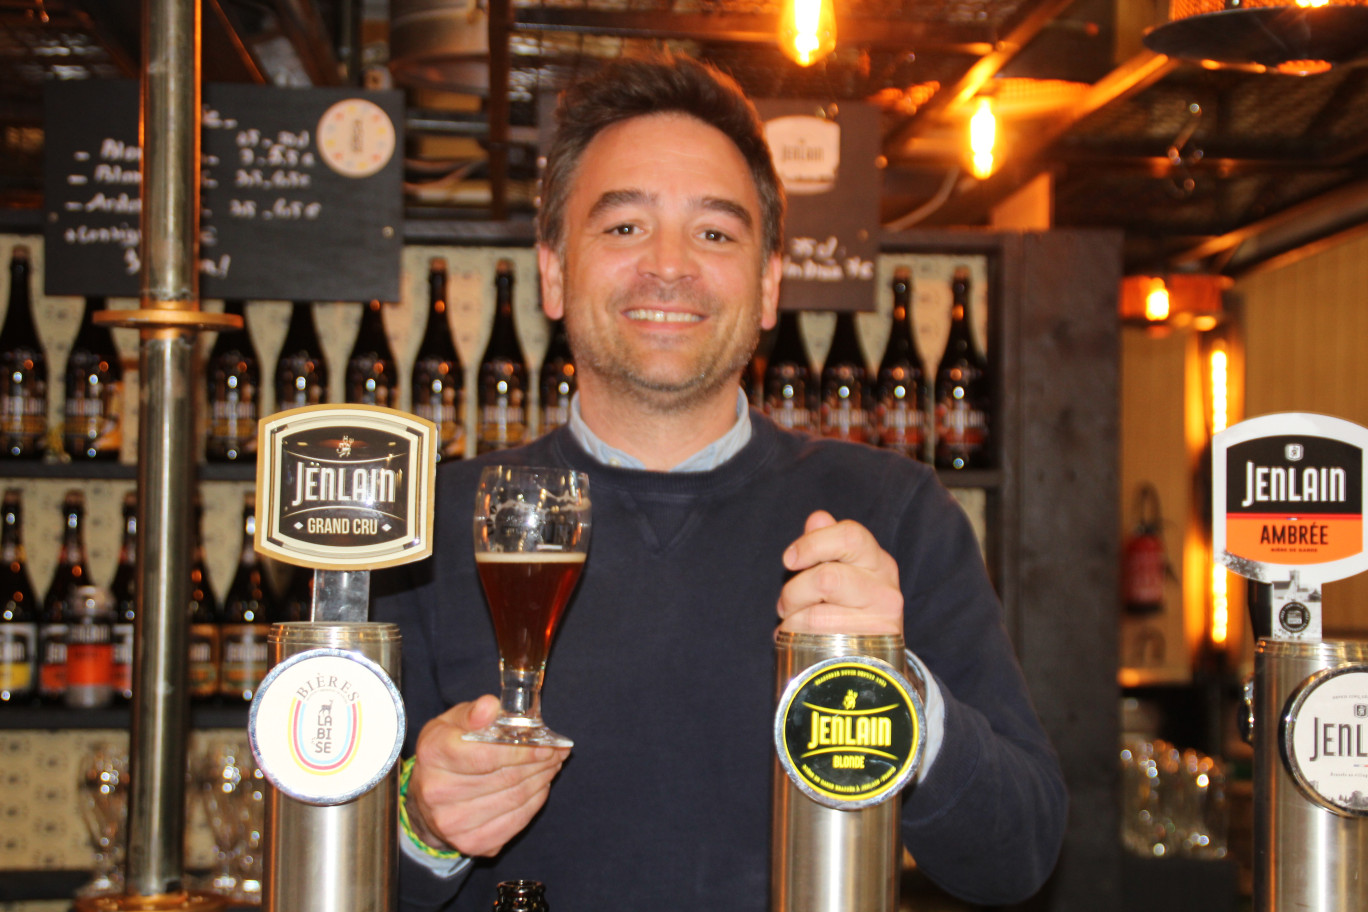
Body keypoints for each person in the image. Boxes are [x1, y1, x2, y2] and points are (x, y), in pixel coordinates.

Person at [373, 51, 1067, 911]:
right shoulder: (429, 525)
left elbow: (1019, 856)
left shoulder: (892, 512)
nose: (670, 266)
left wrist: (903, 693)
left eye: (715, 232)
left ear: (770, 284)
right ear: (553, 271)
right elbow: (325, 878)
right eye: (623, 227)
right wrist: (420, 826)